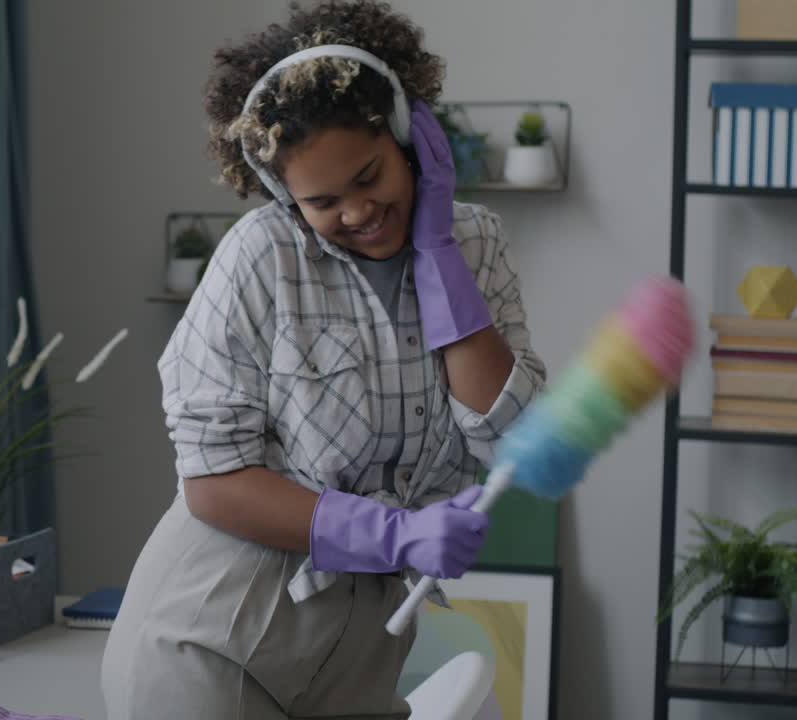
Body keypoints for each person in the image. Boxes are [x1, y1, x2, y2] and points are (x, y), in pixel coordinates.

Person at [101, 2, 546, 718]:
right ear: (285, 194)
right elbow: (213, 484)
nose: (358, 212)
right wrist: (395, 533)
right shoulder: (261, 256)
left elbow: (505, 434)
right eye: (323, 200)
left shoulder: (475, 243)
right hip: (213, 642)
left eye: (370, 176)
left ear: (406, 137)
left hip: (359, 659)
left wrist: (436, 250)